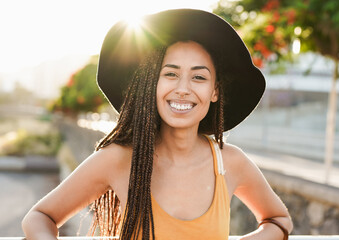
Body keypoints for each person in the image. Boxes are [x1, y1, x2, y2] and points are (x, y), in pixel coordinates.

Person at [22, 8, 293, 240]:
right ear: (152, 84)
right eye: (171, 74)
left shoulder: (229, 162)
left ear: (215, 92)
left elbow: (279, 220)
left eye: (198, 78)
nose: (183, 89)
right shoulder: (119, 159)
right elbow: (39, 217)